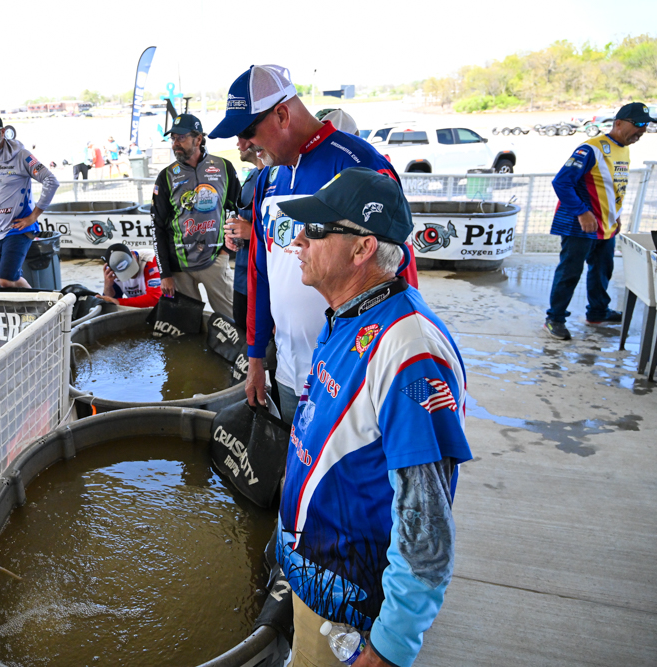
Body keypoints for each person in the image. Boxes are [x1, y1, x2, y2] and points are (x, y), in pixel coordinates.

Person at [275, 168, 471, 667]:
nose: (298, 240)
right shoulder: (352, 314)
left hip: (352, 616)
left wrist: (390, 645)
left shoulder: (411, 355)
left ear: (362, 248)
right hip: (317, 582)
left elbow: (427, 524)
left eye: (316, 230)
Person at [208, 64, 418, 426]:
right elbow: (261, 272)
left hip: (349, 374)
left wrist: (401, 362)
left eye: (247, 131)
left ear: (282, 114)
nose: (241, 145)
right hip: (288, 369)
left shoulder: (360, 165)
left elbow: (398, 272)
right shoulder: (266, 177)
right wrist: (255, 358)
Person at [544, 102, 651, 340]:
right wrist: (582, 212)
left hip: (606, 224)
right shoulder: (591, 148)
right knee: (570, 272)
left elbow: (611, 187)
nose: (642, 130)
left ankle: (598, 312)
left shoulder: (624, 149)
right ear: (618, 123)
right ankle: (555, 319)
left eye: (645, 125)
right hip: (581, 224)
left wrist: (616, 215)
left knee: (603, 269)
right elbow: (562, 182)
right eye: (638, 124)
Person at [151, 113, 239, 315]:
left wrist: (226, 251)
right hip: (179, 267)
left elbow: (238, 210)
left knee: (232, 319)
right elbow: (157, 227)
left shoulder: (223, 167)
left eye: (181, 138)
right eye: (173, 138)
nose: (175, 144)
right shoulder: (166, 176)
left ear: (198, 139)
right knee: (187, 324)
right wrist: (164, 273)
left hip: (215, 259)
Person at [0, 111, 58, 288]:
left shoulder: (22, 155)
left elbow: (51, 181)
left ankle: (41, 304)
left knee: (6, 279)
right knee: (10, 281)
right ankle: (35, 304)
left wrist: (33, 216)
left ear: (2, 131)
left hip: (19, 229)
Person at [224, 146, 264, 333]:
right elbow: (242, 220)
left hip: (265, 282)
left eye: (243, 135)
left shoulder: (280, 177)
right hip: (242, 277)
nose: (238, 143)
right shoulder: (252, 175)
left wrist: (253, 232)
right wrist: (232, 235)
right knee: (242, 334)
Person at [100, 242, 161, 308]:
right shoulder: (111, 272)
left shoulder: (152, 259)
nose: (131, 275)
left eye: (131, 268)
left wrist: (119, 302)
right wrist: (108, 286)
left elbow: (156, 299)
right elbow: (110, 302)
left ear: (133, 254)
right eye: (124, 273)